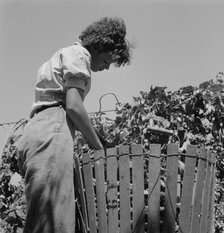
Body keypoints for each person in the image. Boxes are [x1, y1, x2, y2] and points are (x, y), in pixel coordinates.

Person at [17, 16, 132, 233]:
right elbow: (73, 106)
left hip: (36, 130)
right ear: (102, 45)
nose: (107, 67)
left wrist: (97, 135)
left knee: (40, 217)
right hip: (53, 131)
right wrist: (98, 148)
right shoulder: (80, 55)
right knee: (55, 220)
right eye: (108, 60)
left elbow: (68, 106)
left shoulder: (62, 54)